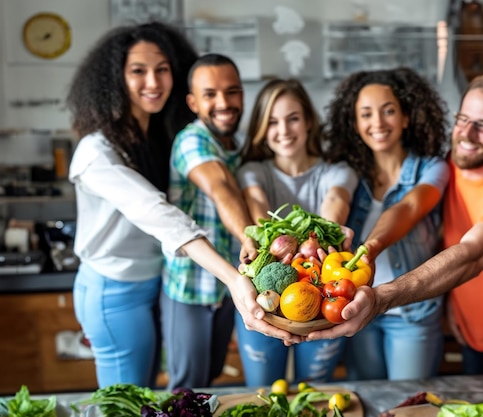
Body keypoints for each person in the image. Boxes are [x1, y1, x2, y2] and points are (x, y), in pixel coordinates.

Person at [65, 22, 277, 388]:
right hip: (113, 290)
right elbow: (162, 216)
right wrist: (233, 277)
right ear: (114, 79)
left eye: (162, 69)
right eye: (138, 71)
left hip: (153, 282)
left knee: (151, 396)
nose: (153, 82)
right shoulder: (96, 151)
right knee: (125, 402)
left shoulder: (157, 138)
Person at [309, 73, 483, 376]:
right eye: (463, 119)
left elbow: (471, 254)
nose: (466, 133)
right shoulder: (454, 164)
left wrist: (381, 295)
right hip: (467, 327)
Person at [322, 67, 450, 380]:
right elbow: (335, 200)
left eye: (388, 111)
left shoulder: (432, 168)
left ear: (406, 117)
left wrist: (370, 248)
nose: (377, 123)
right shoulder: (347, 173)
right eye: (366, 114)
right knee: (367, 397)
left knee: (408, 404)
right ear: (355, 124)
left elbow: (409, 206)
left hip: (412, 312)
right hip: (356, 306)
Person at [235, 78, 359, 386]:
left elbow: (335, 200)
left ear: (308, 122)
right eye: (273, 121)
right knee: (263, 391)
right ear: (262, 128)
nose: (284, 130)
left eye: (293, 119)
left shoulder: (337, 170)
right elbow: (258, 206)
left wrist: (317, 237)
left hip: (319, 303)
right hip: (265, 304)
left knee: (315, 389)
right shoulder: (252, 172)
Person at [160, 53, 258, 390]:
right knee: (186, 388)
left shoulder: (240, 145)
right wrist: (252, 239)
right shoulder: (191, 140)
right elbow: (220, 187)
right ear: (193, 102)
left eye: (232, 92)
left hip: (229, 288)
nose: (224, 103)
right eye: (210, 94)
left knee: (212, 381)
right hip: (190, 288)